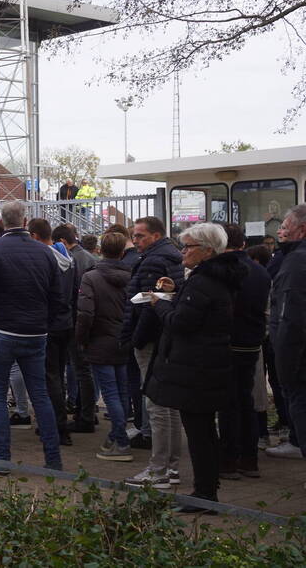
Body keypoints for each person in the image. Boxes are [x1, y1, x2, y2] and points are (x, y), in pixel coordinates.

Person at [144, 222, 244, 512]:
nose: (183, 253)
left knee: (200, 433)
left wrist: (159, 304)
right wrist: (178, 293)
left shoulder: (205, 281)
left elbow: (181, 323)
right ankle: (206, 490)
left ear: (207, 251)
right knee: (203, 430)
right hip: (206, 363)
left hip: (196, 366)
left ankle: (205, 494)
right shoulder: (215, 277)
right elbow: (199, 310)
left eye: (188, 247)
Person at [0, 201, 65, 471]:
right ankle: (53, 460)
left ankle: (2, 459)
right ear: (25, 222)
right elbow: (58, 294)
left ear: (2, 221)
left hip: (2, 330)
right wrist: (45, 321)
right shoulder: (44, 251)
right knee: (40, 395)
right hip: (35, 332)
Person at [120, 216, 186, 489]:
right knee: (169, 405)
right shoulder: (170, 257)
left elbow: (147, 305)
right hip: (165, 338)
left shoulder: (153, 261)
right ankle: (171, 466)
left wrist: (136, 338)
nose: (135, 241)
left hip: (151, 340)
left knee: (157, 405)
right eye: (134, 236)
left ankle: (159, 469)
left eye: (140, 236)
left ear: (156, 236)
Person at [217, 223, 270, 479]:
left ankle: (229, 459)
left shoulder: (223, 270)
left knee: (228, 403)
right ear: (244, 243)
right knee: (246, 400)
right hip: (251, 343)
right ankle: (249, 460)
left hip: (228, 341)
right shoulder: (260, 271)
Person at [75, 232, 133, 461]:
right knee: (122, 391)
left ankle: (121, 441)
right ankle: (117, 435)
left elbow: (85, 313)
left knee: (110, 393)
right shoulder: (132, 276)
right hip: (123, 340)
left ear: (100, 250)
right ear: (122, 251)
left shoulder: (91, 278)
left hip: (100, 340)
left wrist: (82, 339)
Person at [29, 218, 80, 446]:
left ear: (35, 236)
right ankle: (58, 423)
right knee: (57, 375)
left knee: (50, 378)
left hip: (48, 325)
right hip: (65, 323)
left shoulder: (43, 258)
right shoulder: (69, 258)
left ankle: (57, 427)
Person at [267, 204, 306, 461]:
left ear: (301, 230)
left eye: (285, 227)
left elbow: (289, 317)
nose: (281, 232)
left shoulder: (296, 262)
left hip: (299, 363)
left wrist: (285, 369)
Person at [51, 224, 97, 434]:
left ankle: (85, 416)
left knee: (79, 369)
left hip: (74, 320)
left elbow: (70, 293)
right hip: (85, 318)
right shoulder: (89, 257)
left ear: (62, 241)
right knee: (84, 369)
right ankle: (87, 412)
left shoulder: (72, 259)